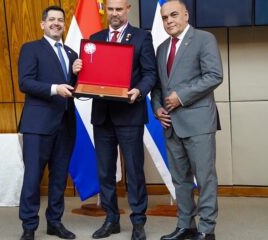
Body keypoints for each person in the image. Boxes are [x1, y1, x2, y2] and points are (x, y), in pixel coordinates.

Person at [72, 0, 157, 239]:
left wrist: (138, 91)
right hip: (103, 117)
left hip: (130, 115)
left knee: (135, 171)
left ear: (127, 9)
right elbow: (88, 75)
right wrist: (77, 69)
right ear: (105, 11)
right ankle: (111, 220)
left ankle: (138, 222)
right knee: (105, 172)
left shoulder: (141, 37)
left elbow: (150, 73)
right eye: (110, 9)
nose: (115, 14)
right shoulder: (95, 38)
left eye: (119, 9)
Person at [150, 1, 223, 240]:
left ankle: (206, 229)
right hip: (170, 125)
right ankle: (186, 226)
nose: (169, 20)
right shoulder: (161, 48)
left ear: (186, 15)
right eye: (164, 17)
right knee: (180, 180)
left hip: (199, 123)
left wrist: (181, 97)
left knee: (204, 178)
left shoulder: (204, 39)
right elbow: (159, 86)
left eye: (173, 15)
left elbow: (214, 75)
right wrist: (157, 106)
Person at [17, 5, 78, 240]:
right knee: (33, 177)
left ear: (64, 24)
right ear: (43, 24)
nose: (56, 23)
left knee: (59, 178)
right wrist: (54, 89)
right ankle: (29, 226)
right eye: (51, 19)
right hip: (37, 125)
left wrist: (78, 75)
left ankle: (55, 222)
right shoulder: (31, 49)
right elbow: (25, 82)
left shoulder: (72, 54)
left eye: (60, 20)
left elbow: (75, 90)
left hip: (65, 125)